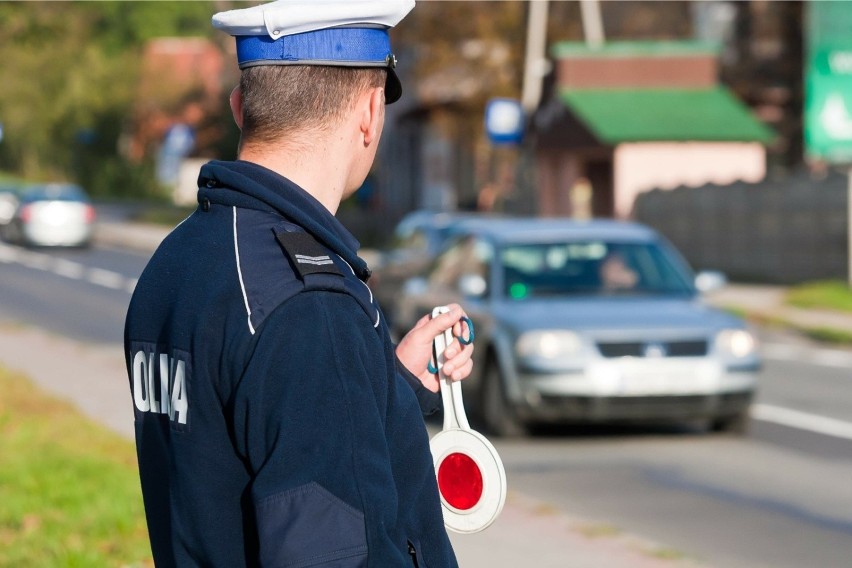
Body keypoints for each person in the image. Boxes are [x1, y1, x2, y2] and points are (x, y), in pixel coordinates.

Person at [124, 1, 474, 565]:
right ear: (368, 111)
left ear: (241, 106)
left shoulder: (179, 262)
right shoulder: (309, 310)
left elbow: (243, 440)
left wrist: (386, 386)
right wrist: (341, 358)